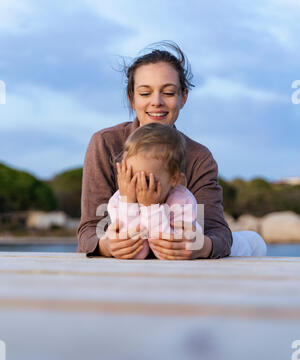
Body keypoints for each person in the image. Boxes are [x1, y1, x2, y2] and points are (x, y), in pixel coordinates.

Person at [77, 41, 266, 259]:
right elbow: (89, 229)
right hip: (123, 268)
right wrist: (106, 246)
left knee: (250, 242)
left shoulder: (199, 157)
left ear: (183, 97)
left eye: (168, 92)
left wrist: (202, 247)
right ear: (132, 98)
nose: (156, 102)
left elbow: (217, 231)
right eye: (145, 93)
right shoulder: (105, 143)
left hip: (183, 267)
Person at [107, 122, 203, 259]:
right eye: (129, 177)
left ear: (174, 179)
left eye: (147, 181)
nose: (137, 187)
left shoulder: (182, 201)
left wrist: (150, 208)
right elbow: (135, 254)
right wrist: (128, 203)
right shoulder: (120, 200)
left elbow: (165, 252)